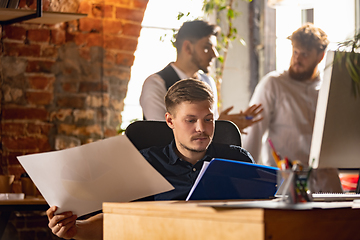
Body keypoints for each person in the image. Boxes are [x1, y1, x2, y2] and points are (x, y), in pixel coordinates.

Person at [47, 78, 255, 239]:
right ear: (170, 120)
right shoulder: (144, 164)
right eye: (191, 120)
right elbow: (119, 221)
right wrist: (76, 229)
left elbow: (262, 215)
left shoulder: (237, 159)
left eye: (208, 119)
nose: (201, 128)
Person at [139, 20, 263, 133]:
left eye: (214, 48)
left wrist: (226, 125)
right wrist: (221, 126)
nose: (214, 54)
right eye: (206, 48)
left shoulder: (208, 82)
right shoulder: (156, 84)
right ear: (187, 47)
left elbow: (208, 131)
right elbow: (161, 134)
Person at [242, 23, 330, 167]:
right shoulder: (273, 84)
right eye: (295, 52)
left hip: (322, 177)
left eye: (305, 54)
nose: (297, 59)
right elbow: (253, 133)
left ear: (321, 56)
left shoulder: (327, 87)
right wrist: (245, 174)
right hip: (283, 178)